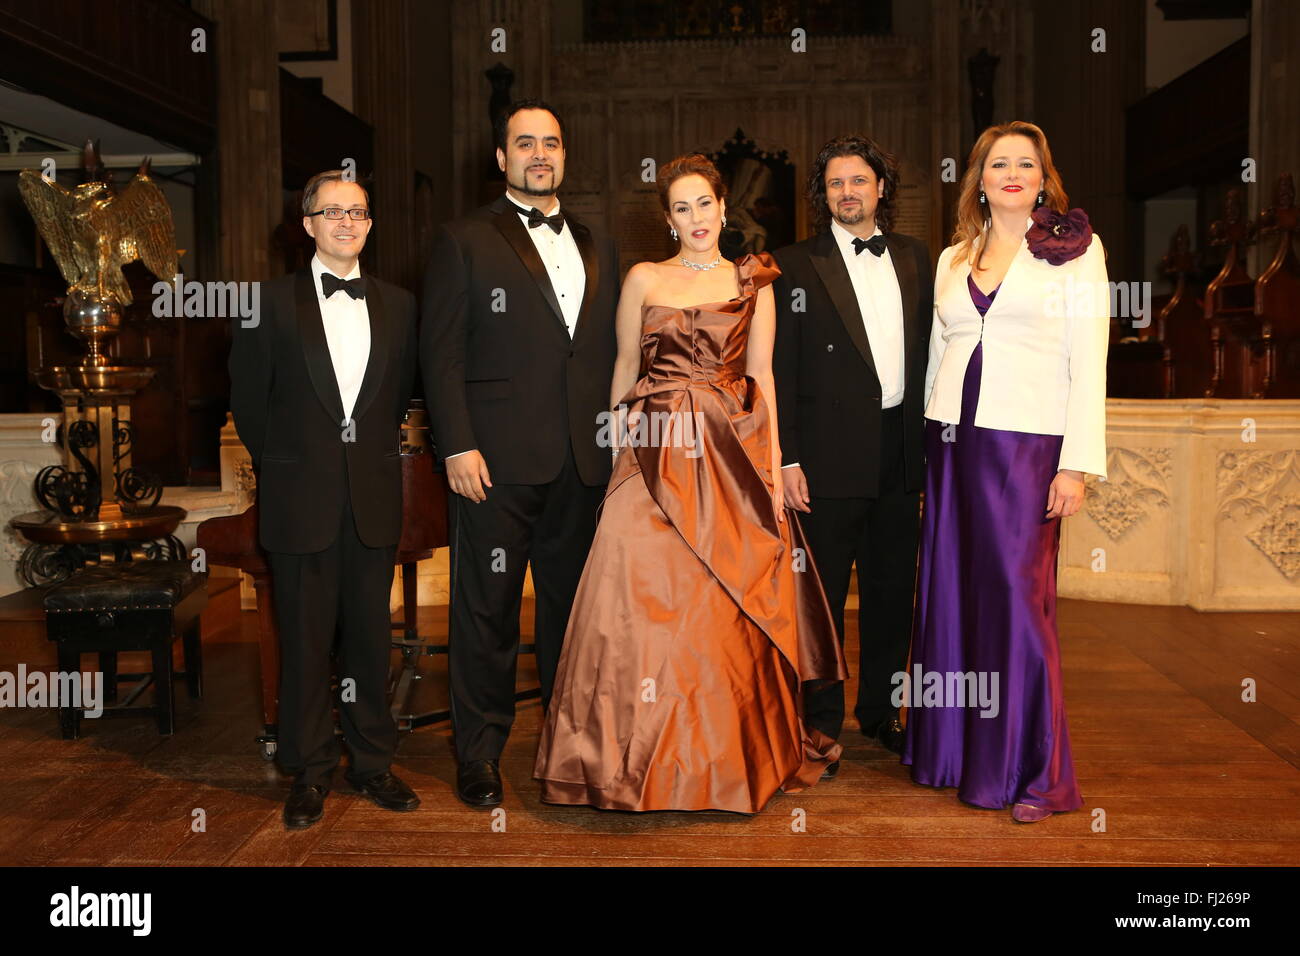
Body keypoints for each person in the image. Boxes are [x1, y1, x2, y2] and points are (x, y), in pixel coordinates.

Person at [533, 154, 847, 813]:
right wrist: (618, 446)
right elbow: (625, 365)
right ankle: (626, 762)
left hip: (728, 453)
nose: (695, 218)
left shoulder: (753, 277)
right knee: (634, 594)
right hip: (649, 450)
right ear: (668, 218)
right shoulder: (644, 277)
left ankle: (715, 764)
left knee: (716, 602)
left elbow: (761, 376)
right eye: (682, 208)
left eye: (704, 204)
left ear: (723, 208)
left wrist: (774, 461)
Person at [902, 121, 1109, 823]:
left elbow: (1091, 362)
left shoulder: (1077, 253)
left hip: (1026, 451)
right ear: (980, 179)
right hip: (953, 444)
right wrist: (925, 450)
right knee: (952, 594)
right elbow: (939, 352)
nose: (1012, 173)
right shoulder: (954, 256)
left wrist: (1075, 464)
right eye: (999, 163)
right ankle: (954, 753)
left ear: (1044, 177)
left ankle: (1035, 773)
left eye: (1026, 163)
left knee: (1021, 605)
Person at [420, 100, 619, 807]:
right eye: (525, 143)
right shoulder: (464, 238)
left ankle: (569, 752)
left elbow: (607, 355)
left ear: (565, 156)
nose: (541, 154)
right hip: (494, 466)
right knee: (486, 615)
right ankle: (479, 757)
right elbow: (439, 354)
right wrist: (458, 445)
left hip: (582, 466)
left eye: (552, 143)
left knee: (576, 619)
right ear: (500, 159)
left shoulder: (597, 242)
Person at [228, 169, 420, 829]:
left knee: (370, 639)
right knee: (305, 643)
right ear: (306, 224)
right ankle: (307, 771)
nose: (347, 222)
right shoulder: (268, 303)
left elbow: (393, 402)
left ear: (370, 224)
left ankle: (372, 764)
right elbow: (249, 406)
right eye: (332, 212)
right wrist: (292, 467)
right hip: (298, 498)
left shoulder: (400, 304)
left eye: (359, 212)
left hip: (371, 498)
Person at [772, 135, 933, 770]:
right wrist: (784, 459)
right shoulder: (792, 264)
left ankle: (881, 714)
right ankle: (819, 723)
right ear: (823, 195)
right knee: (822, 600)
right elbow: (777, 370)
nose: (848, 192)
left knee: (895, 594)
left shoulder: (919, 258)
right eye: (836, 183)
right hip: (823, 464)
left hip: (899, 454)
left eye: (859, 181)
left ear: (881, 189)